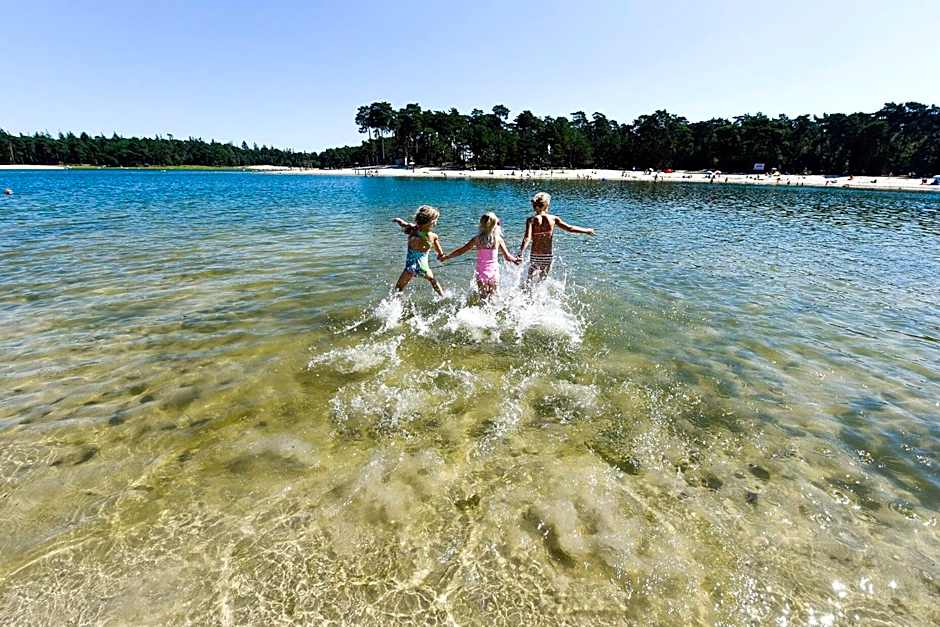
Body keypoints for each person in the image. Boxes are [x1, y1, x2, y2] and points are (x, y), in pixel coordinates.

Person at [519, 192, 594, 282]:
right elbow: (570, 228)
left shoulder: (531, 220)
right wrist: (586, 230)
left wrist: (521, 253)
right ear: (547, 205)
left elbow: (527, 238)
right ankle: (540, 296)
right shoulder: (553, 219)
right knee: (542, 281)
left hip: (535, 255)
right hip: (547, 256)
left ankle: (527, 295)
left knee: (529, 280)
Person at [441, 212, 520, 298]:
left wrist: (447, 256)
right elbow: (507, 257)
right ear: (495, 225)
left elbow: (461, 251)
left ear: (481, 225)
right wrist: (515, 260)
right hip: (494, 272)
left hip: (481, 273)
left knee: (483, 298)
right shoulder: (498, 239)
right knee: (493, 297)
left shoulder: (477, 239)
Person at [392, 205, 446, 296]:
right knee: (433, 281)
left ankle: (395, 305)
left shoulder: (413, 230)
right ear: (431, 222)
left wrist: (398, 221)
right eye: (436, 220)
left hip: (410, 267)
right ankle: (443, 296)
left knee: (399, 288)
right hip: (423, 267)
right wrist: (442, 256)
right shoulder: (433, 237)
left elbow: (404, 224)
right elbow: (440, 253)